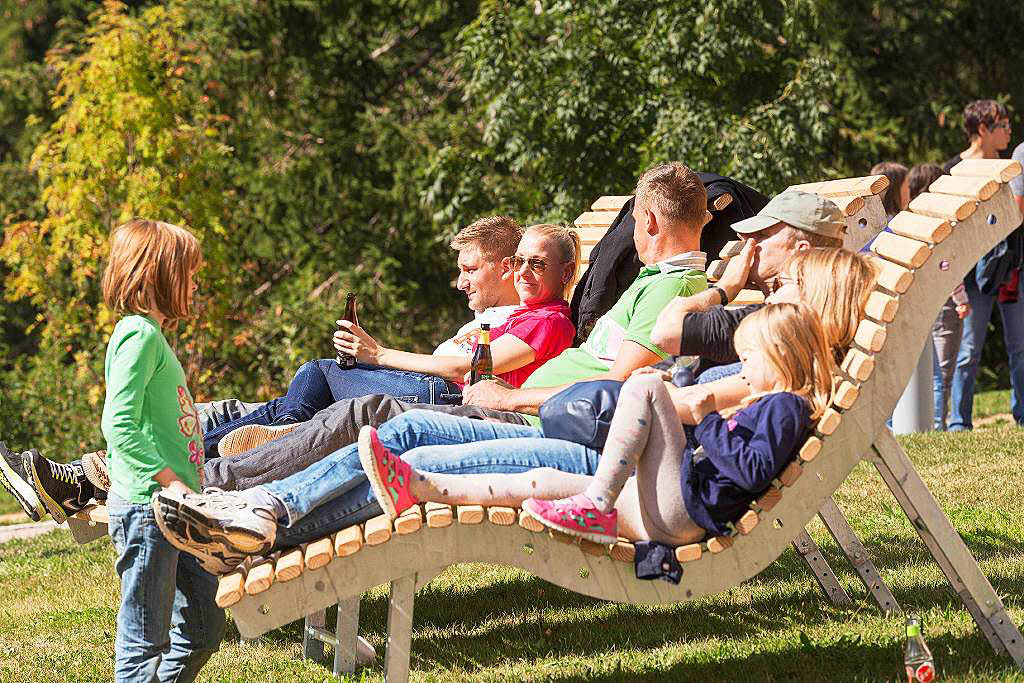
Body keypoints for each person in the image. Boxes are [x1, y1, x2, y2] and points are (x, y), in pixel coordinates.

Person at [150, 249, 873, 570]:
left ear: (813, 314)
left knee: (407, 448)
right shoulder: (766, 367)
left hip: (600, 462)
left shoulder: (769, 380)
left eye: (784, 291)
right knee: (398, 436)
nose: (769, 292)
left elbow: (673, 403)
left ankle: (262, 513)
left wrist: (700, 393)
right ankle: (259, 508)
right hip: (586, 436)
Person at [0, 215, 527, 521]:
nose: (459, 282)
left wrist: (378, 354)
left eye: (470, 269)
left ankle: (112, 475)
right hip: (434, 395)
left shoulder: (539, 319)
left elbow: (473, 373)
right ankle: (88, 474)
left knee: (314, 385)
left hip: (445, 404)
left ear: (506, 267)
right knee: (247, 410)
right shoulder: (494, 317)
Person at [359, 303, 832, 547]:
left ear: (784, 357)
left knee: (644, 387)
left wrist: (708, 418)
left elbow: (749, 472)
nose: (744, 369)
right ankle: (421, 486)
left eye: (750, 359)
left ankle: (597, 502)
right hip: (669, 507)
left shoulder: (786, 407)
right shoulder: (772, 403)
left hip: (684, 512)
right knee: (538, 482)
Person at [200, 222, 579, 456]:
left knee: (318, 373)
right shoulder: (523, 315)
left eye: (538, 264)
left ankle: (268, 443)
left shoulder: (549, 321)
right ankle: (218, 448)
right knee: (296, 397)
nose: (524, 272)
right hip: (441, 391)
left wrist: (377, 354)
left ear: (564, 273)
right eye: (522, 262)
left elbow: (469, 365)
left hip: (447, 398)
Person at [35, 220, 221, 681]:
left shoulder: (152, 336)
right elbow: (117, 424)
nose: (196, 282)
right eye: (190, 272)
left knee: (203, 625)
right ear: (160, 274)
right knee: (144, 642)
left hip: (176, 509)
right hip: (148, 508)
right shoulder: (138, 336)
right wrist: (171, 480)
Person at [649, 190, 846, 378]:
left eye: (763, 235)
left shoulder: (783, 319)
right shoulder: (798, 310)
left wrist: (724, 289)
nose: (746, 239)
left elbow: (665, 332)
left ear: (801, 252)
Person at [946, 101, 1024, 430]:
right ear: (982, 130)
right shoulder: (953, 169)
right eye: (1002, 125)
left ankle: (1021, 415)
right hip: (971, 272)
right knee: (968, 352)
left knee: (1019, 347)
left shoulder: (1010, 168)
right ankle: (959, 424)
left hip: (1010, 270)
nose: (1009, 131)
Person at [907, 163, 971, 430]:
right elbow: (947, 268)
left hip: (916, 303)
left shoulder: (908, 221)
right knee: (941, 373)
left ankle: (925, 424)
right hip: (943, 305)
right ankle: (936, 427)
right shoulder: (940, 226)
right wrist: (962, 300)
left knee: (921, 370)